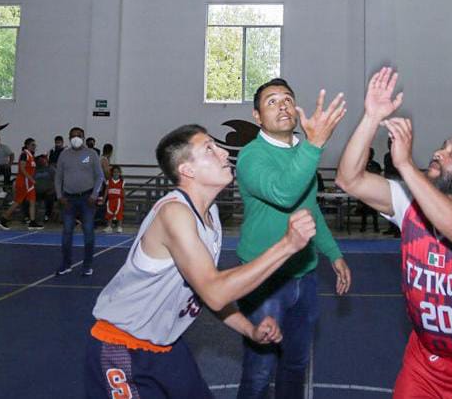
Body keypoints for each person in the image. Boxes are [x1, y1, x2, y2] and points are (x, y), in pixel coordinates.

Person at [86, 124, 317, 398]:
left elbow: (205, 289)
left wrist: (249, 329)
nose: (223, 153)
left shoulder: (210, 214)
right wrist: (287, 245)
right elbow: (215, 292)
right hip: (121, 346)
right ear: (187, 170)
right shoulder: (175, 213)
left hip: (167, 345)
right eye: (210, 148)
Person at [335, 67, 452, 399]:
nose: (438, 153)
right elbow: (349, 179)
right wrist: (371, 117)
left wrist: (406, 165)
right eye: (442, 147)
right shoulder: (411, 205)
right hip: (425, 363)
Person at [235, 78, 351, 399]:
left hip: (305, 276)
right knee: (258, 373)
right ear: (257, 116)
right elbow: (284, 194)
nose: (282, 105)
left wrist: (333, 253)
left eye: (287, 99)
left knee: (296, 365)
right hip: (264, 279)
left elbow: (307, 208)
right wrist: (314, 146)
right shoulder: (250, 156)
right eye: (271, 102)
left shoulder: (303, 153)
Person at [55, 127, 104, 276]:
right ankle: (66, 264)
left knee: (88, 232)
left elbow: (100, 176)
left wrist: (94, 195)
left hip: (87, 199)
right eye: (73, 136)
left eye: (79, 136)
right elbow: (58, 178)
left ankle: (87, 265)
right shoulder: (64, 155)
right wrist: (59, 196)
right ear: (69, 138)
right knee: (67, 233)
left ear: (83, 138)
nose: (76, 138)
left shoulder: (91, 154)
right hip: (68, 199)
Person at [0, 138, 42, 230]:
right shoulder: (24, 155)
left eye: (35, 145)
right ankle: (3, 219)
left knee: (32, 201)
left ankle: (32, 222)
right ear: (28, 145)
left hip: (29, 183)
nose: (34, 146)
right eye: (33, 145)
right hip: (23, 182)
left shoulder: (31, 156)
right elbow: (22, 168)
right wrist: (30, 178)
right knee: (18, 201)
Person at [359, 148, 383, 233]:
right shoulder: (361, 164)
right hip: (364, 190)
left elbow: (379, 176)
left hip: (374, 190)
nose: (370, 155)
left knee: (374, 209)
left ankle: (376, 227)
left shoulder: (376, 165)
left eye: (371, 153)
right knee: (364, 210)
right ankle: (363, 226)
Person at [104, 166, 125, 233]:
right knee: (109, 213)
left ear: (120, 173)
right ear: (112, 173)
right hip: (110, 200)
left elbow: (123, 191)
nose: (116, 173)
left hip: (118, 200)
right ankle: (109, 227)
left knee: (119, 214)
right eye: (114, 172)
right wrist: (104, 198)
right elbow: (106, 190)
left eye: (117, 172)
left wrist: (124, 199)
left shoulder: (122, 182)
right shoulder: (109, 181)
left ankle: (119, 227)